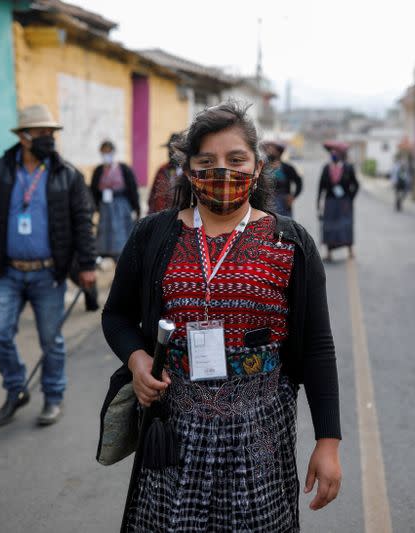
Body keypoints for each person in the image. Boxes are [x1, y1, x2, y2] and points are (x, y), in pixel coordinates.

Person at [102, 101, 342, 532]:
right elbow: (117, 316)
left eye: (236, 160)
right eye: (206, 162)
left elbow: (318, 349)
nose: (222, 172)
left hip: (261, 433)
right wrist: (138, 361)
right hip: (176, 429)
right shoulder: (153, 234)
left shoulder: (290, 243)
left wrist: (328, 442)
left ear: (256, 166)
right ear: (188, 170)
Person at [0, 104, 97, 427]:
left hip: (49, 273)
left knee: (51, 340)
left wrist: (88, 264)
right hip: (9, 272)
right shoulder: (0, 170)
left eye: (51, 133)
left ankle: (53, 397)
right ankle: (16, 390)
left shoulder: (68, 175)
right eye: (41, 133)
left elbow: (82, 221)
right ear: (24, 137)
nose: (48, 139)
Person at [90, 140, 140, 260]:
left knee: (121, 233)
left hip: (121, 206)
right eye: (104, 152)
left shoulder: (123, 168)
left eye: (108, 151)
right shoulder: (99, 170)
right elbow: (93, 190)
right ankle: (108, 257)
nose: (106, 154)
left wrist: (136, 207)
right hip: (105, 208)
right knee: (106, 234)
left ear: (113, 152)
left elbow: (132, 187)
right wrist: (94, 207)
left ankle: (122, 258)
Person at [317, 143, 360, 261]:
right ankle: (329, 253)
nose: (333, 154)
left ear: (341, 154)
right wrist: (318, 204)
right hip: (330, 202)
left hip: (344, 202)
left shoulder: (348, 168)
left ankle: (350, 250)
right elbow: (321, 187)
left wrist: (350, 198)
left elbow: (356, 185)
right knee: (329, 226)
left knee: (346, 225)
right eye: (331, 152)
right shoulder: (326, 168)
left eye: (336, 152)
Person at [262, 140, 303, 218]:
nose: (268, 151)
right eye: (267, 149)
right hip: (266, 203)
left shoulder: (287, 168)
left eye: (271, 149)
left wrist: (293, 196)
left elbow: (299, 182)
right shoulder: (262, 167)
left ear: (278, 152)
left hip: (283, 203)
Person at [147, 133, 184, 214]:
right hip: (161, 216)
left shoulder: (188, 171)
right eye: (170, 149)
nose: (171, 153)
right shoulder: (163, 169)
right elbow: (153, 196)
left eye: (174, 150)